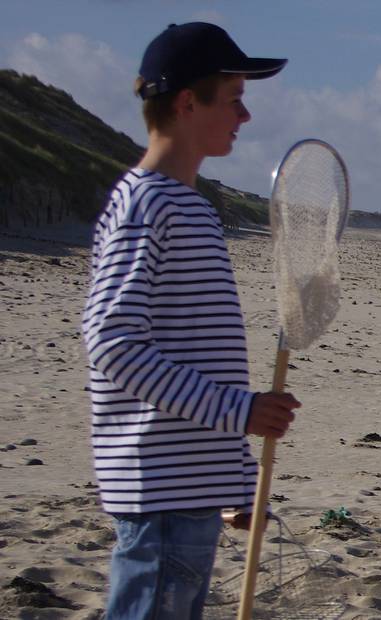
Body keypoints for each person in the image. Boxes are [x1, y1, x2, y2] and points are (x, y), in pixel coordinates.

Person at [83, 21, 299, 619]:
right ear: (186, 102)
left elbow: (195, 354)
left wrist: (231, 482)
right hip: (160, 495)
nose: (246, 116)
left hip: (186, 492)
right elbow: (112, 342)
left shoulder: (189, 205)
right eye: (234, 99)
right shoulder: (146, 204)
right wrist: (238, 411)